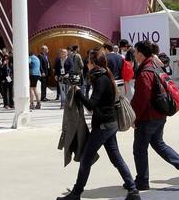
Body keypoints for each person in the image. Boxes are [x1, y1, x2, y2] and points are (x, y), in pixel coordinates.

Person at [56, 50, 140, 200]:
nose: (86, 64)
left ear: (94, 64)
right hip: (110, 124)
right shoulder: (105, 76)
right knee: (116, 157)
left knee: (86, 159)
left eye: (88, 61)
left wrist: (78, 92)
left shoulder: (101, 80)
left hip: (103, 126)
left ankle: (76, 193)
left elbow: (91, 105)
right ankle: (133, 190)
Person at [131, 40, 179, 191]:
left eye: (135, 52)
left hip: (148, 117)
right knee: (158, 144)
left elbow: (142, 98)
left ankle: (142, 181)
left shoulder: (145, 72)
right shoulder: (155, 67)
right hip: (160, 114)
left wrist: (134, 117)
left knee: (139, 149)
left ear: (141, 53)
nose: (134, 54)